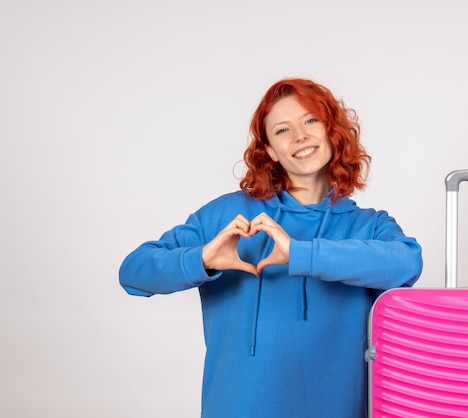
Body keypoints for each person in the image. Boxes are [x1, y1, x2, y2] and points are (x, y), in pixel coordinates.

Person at [119, 78, 423, 418]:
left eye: (310, 121)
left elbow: (406, 263)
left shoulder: (367, 225)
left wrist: (301, 254)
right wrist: (202, 260)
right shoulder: (226, 215)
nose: (300, 136)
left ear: (331, 130)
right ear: (268, 150)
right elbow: (134, 272)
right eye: (282, 130)